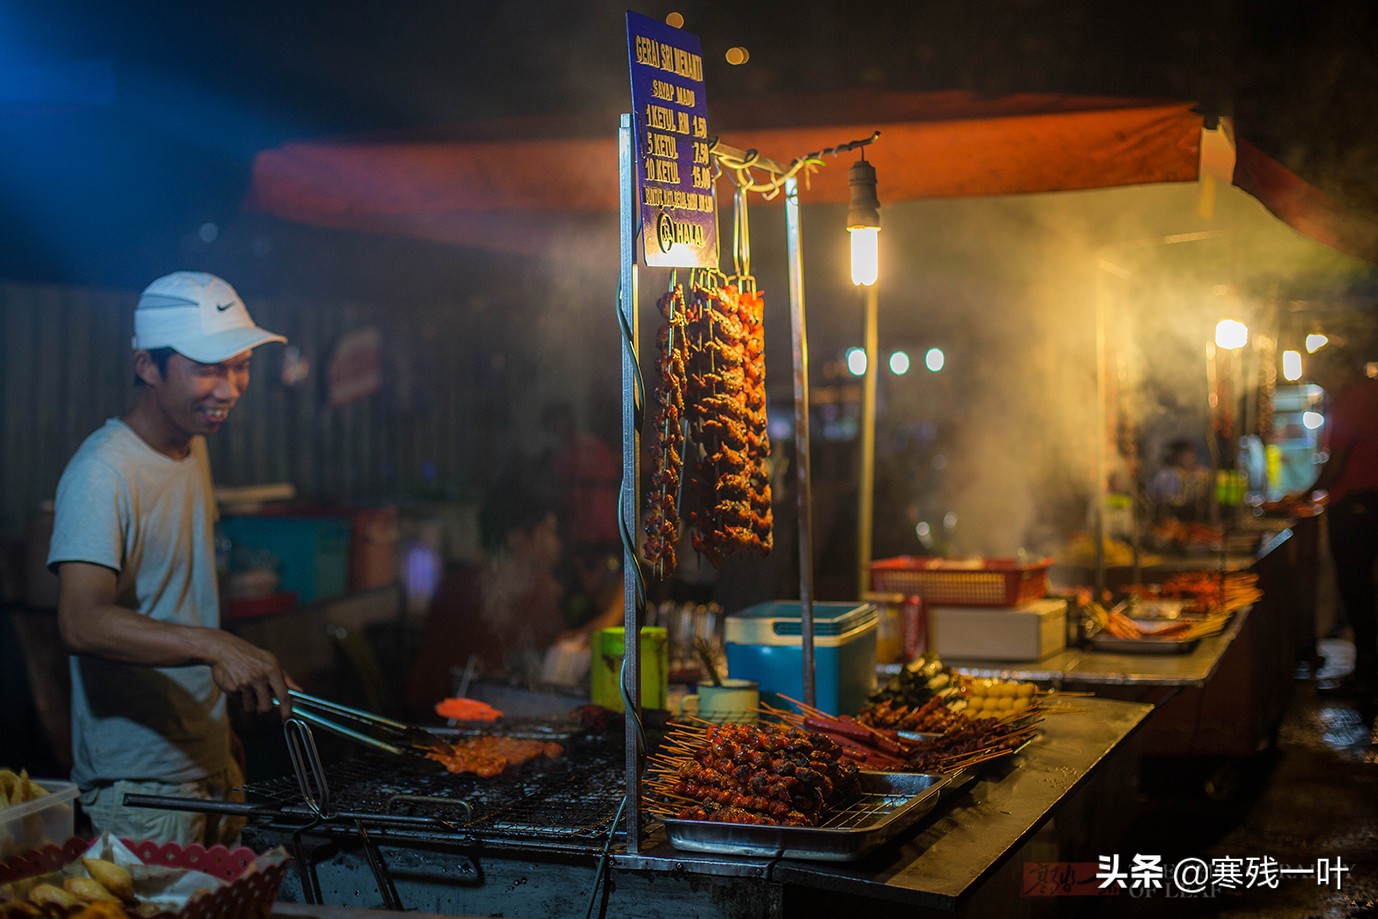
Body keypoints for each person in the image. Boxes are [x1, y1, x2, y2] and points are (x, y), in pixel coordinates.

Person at [47, 271, 295, 846]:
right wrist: (215, 645)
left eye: (240, 365)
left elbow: (176, 596)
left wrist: (217, 734)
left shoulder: (191, 447)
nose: (229, 388)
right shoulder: (103, 471)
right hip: (142, 786)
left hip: (207, 765)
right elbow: (80, 620)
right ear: (147, 368)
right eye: (207, 368)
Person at [404, 465, 621, 716]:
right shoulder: (528, 591)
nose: (557, 544)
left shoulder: (457, 582)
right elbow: (537, 681)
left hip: (427, 712)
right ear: (517, 537)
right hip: (458, 719)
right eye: (549, 531)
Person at [1292, 349, 1378, 699]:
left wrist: (1304, 495)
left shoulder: (1350, 399)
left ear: (1339, 368)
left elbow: (1336, 464)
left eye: (1322, 375)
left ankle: (1367, 675)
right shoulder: (1372, 392)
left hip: (1358, 506)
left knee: (1356, 589)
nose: (1321, 383)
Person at [1148, 438, 1208, 521]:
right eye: (1189, 456)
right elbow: (1167, 500)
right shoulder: (1167, 475)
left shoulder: (1193, 474)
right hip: (1170, 519)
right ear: (1179, 457)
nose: (1193, 459)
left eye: (1193, 455)